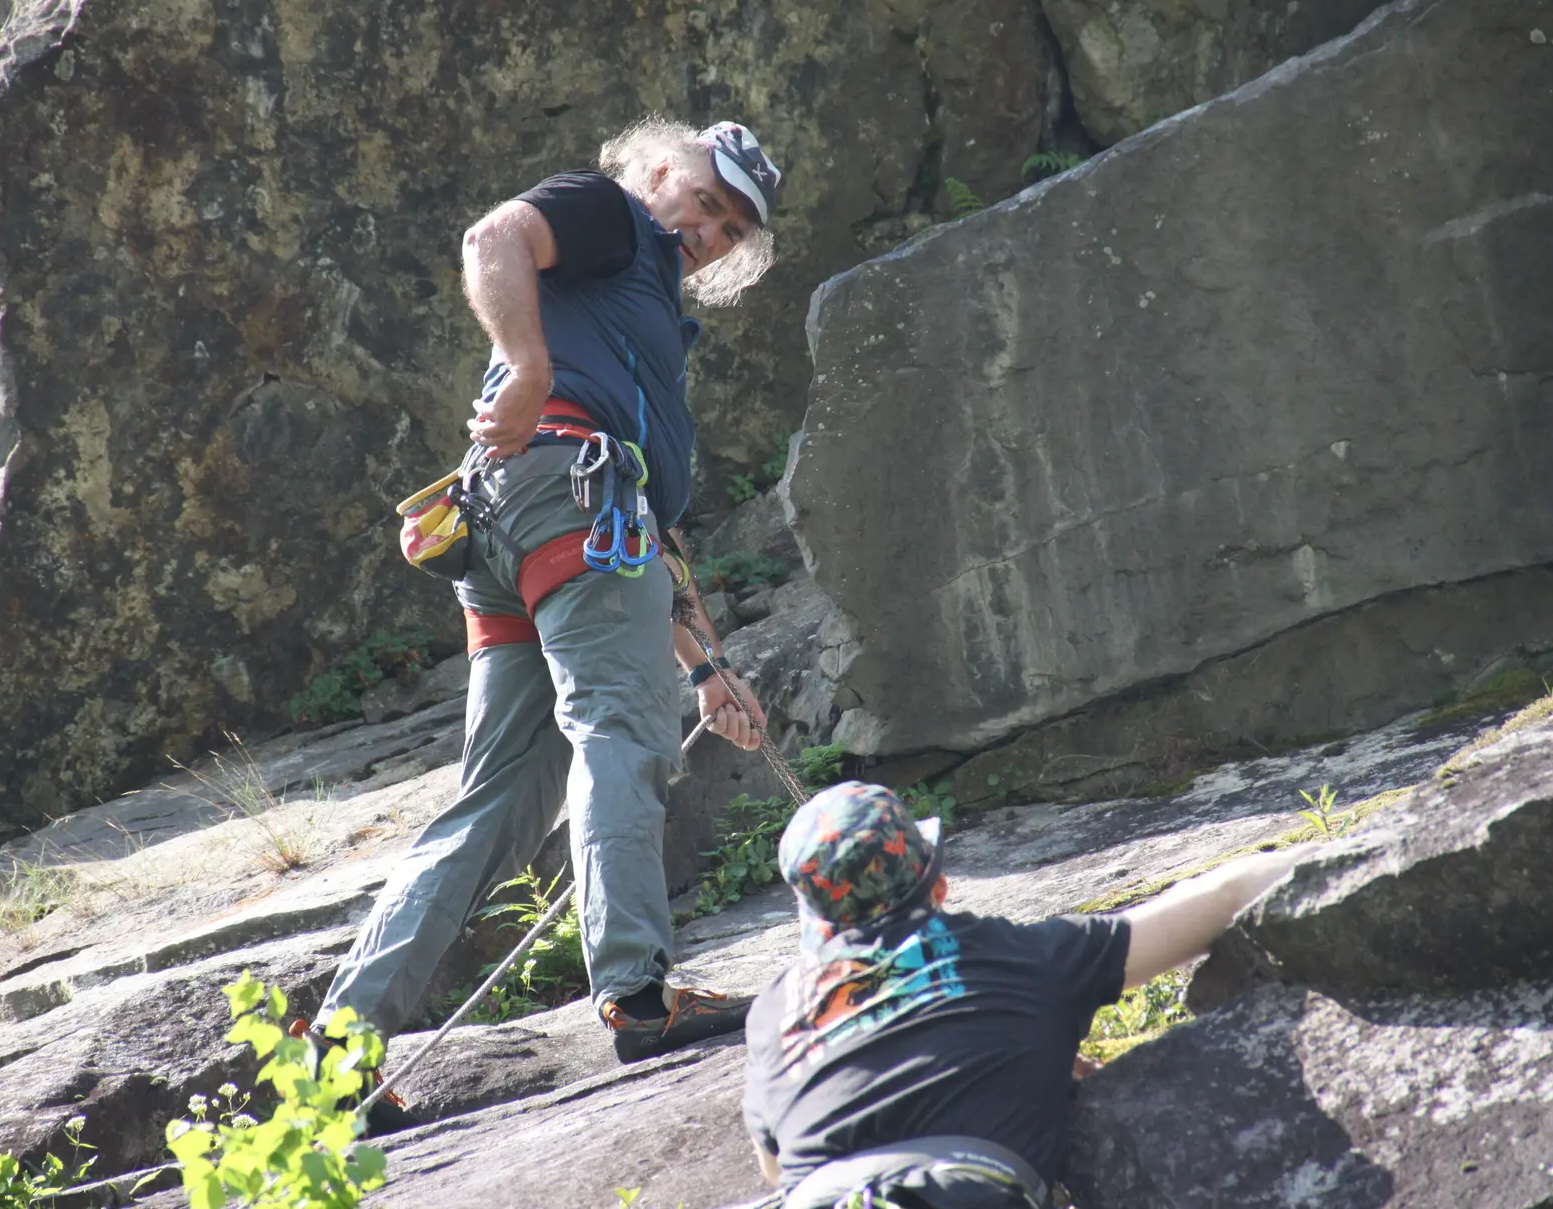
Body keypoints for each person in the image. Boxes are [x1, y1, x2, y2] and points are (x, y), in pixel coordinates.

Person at [307, 118, 789, 1077]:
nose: (712, 230)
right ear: (662, 173)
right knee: (621, 727)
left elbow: (649, 523)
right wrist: (526, 368)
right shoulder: (612, 216)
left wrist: (712, 670)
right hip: (569, 493)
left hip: (526, 520)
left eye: (734, 227)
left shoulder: (635, 309)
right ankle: (639, 994)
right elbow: (493, 238)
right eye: (707, 201)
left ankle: (338, 1050)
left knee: (503, 800)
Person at [742, 782, 1309, 1209]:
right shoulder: (1017, 956)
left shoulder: (774, 1012)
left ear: (810, 916)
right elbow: (1227, 895)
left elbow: (776, 1169)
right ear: (935, 886)